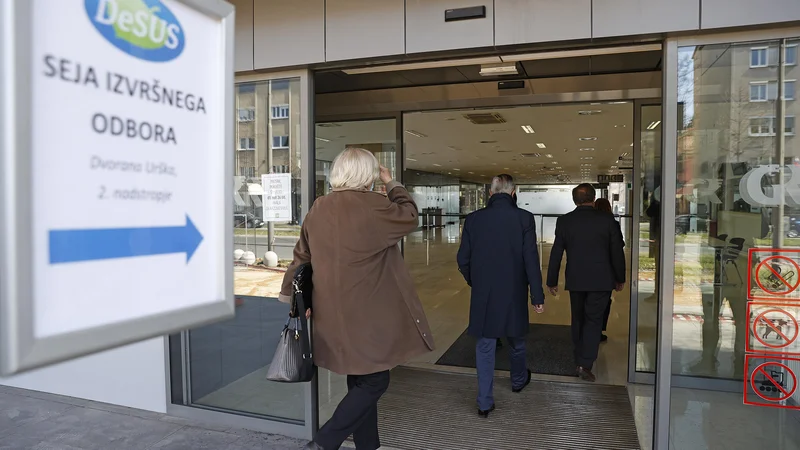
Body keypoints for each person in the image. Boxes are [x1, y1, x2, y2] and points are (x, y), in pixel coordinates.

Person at [279, 148, 434, 450]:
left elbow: (301, 256)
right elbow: (411, 216)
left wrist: (291, 297)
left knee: (359, 379)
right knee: (376, 381)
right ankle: (324, 442)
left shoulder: (319, 207)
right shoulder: (376, 206)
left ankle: (367, 444)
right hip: (366, 315)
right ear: (369, 175)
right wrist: (392, 184)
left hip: (331, 313)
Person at [457, 174, 545, 418]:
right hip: (514, 290)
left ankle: (484, 402)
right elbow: (530, 260)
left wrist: (476, 281)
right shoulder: (524, 218)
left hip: (484, 293)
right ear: (513, 192)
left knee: (485, 346)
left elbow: (463, 259)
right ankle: (518, 380)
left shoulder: (474, 219)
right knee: (516, 339)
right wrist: (537, 296)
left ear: (490, 193)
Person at [546, 184, 625, 382]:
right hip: (601, 279)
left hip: (576, 278)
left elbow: (556, 252)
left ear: (575, 200)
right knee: (594, 320)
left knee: (578, 318)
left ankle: (579, 354)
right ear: (593, 197)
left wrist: (551, 280)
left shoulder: (565, 221)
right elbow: (617, 252)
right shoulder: (607, 221)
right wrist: (619, 277)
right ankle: (584, 363)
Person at [594, 198, 616, 343]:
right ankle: (599, 329)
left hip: (589, 269)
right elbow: (617, 251)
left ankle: (588, 330)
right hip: (606, 270)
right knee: (604, 302)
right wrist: (619, 277)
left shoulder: (591, 222)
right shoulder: (612, 223)